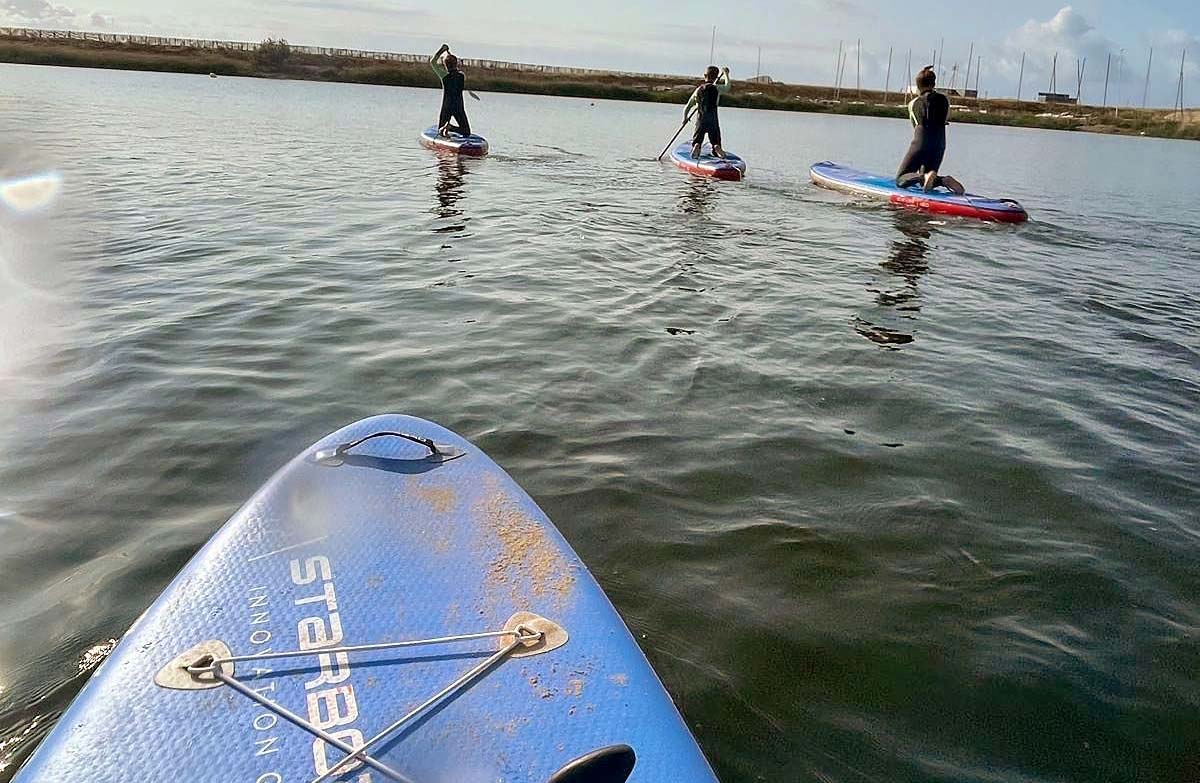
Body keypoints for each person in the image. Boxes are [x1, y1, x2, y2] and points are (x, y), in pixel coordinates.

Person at [896, 66, 964, 194]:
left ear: (918, 86)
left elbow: (916, 125)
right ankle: (943, 180)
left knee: (901, 178)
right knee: (928, 182)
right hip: (939, 144)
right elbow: (945, 120)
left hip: (921, 143)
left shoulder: (913, 103)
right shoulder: (944, 100)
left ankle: (925, 177)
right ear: (934, 84)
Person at [685, 65, 731, 159]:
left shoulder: (698, 90)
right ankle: (716, 147)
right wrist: (726, 74)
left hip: (701, 120)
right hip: (713, 120)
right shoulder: (717, 88)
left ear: (704, 75)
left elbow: (688, 106)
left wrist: (685, 117)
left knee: (697, 139)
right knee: (715, 140)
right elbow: (727, 87)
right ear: (716, 77)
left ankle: (697, 146)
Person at [431, 43, 470, 137]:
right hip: (458, 106)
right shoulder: (462, 75)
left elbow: (433, 62)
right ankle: (451, 127)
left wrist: (442, 50)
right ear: (456, 64)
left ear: (445, 65)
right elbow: (457, 70)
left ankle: (445, 127)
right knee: (466, 132)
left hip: (447, 106)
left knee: (440, 130)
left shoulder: (444, 75)